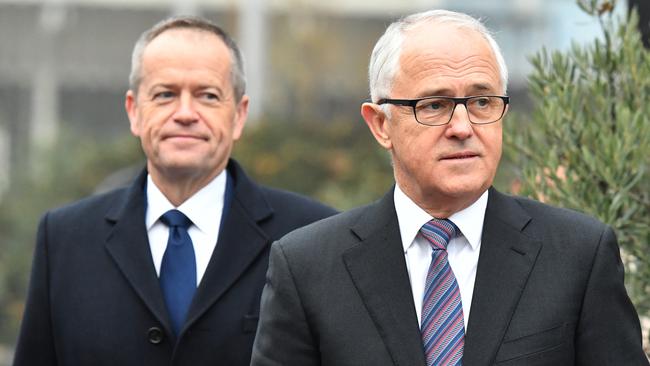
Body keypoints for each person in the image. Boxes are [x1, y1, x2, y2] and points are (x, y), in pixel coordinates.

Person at [251, 9, 649, 366]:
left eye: (481, 102)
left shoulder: (578, 254)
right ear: (380, 125)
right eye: (434, 105)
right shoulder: (309, 266)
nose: (462, 128)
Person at [13, 16, 336, 366]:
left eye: (207, 95)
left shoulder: (311, 236)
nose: (185, 113)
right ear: (134, 111)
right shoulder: (65, 238)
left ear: (239, 115)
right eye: (165, 94)